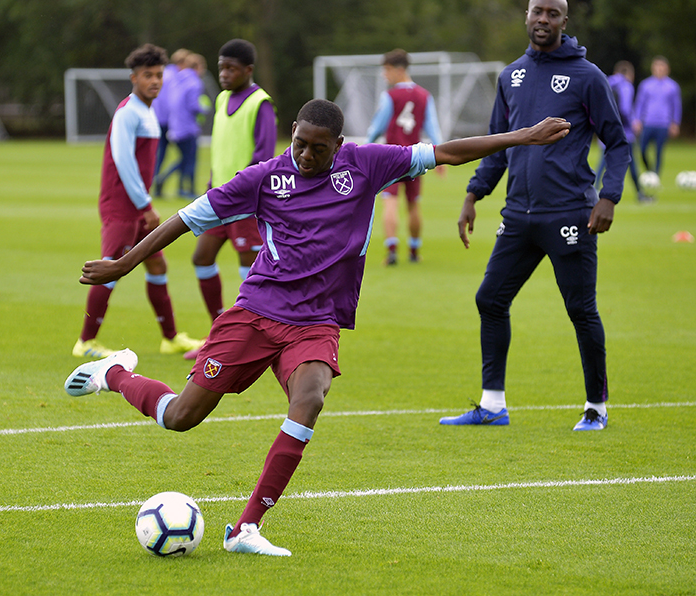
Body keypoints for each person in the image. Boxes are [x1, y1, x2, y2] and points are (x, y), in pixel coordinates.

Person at [64, 99, 569, 555]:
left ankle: (246, 529)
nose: (305, 156)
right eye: (299, 144)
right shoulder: (262, 178)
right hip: (257, 313)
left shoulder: (368, 165)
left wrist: (521, 136)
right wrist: (125, 263)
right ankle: (116, 375)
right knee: (180, 417)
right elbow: (188, 218)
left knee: (310, 397)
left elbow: (448, 152)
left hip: (317, 322)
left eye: (317, 149)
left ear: (339, 147)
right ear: (291, 135)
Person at [439, 0, 629, 431]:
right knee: (490, 299)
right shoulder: (511, 77)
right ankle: (492, 405)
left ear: (565, 22)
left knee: (581, 309)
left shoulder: (588, 77)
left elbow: (617, 143)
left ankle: (596, 408)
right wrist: (474, 193)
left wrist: (608, 196)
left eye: (554, 14)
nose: (544, 19)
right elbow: (496, 146)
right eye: (538, 11)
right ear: (527, 17)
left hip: (570, 214)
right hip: (518, 216)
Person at [71, 44, 204, 360]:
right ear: (134, 78)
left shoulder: (148, 112)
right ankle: (85, 342)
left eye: (159, 75)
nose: (155, 81)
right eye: (148, 76)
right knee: (110, 267)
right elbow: (123, 161)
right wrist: (145, 205)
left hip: (137, 205)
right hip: (122, 206)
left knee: (157, 264)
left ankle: (170, 338)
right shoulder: (128, 112)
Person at [188, 39, 277, 344]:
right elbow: (221, 147)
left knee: (250, 271)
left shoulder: (260, 103)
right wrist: (212, 181)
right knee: (201, 258)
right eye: (221, 68)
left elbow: (263, 156)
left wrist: (241, 188)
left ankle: (255, 335)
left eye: (232, 69)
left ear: (248, 70)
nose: (224, 74)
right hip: (219, 200)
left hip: (246, 203)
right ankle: (218, 332)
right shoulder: (221, 99)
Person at [365, 48, 444, 265]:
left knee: (389, 202)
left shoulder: (389, 96)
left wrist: (364, 148)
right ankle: (414, 251)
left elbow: (377, 128)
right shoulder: (424, 96)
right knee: (413, 204)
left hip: (390, 158)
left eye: (387, 70)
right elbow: (432, 128)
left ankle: (391, 250)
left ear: (399, 70)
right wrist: (440, 155)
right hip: (415, 157)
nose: (384, 75)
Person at [595, 61, 651, 203]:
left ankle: (594, 190)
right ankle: (640, 194)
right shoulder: (626, 85)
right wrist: (632, 123)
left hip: (605, 129)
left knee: (603, 161)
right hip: (623, 131)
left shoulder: (606, 82)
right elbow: (625, 109)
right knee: (631, 162)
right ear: (629, 74)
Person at [159, 52, 210, 198]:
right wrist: (204, 108)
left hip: (175, 127)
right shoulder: (194, 82)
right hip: (188, 128)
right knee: (190, 160)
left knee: (184, 159)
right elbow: (194, 105)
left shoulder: (178, 80)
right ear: (197, 67)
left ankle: (176, 185)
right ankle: (187, 189)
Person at [633, 56, 682, 178]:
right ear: (652, 68)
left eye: (662, 67)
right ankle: (649, 170)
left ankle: (656, 176)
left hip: (663, 124)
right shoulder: (645, 85)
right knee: (642, 149)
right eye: (657, 67)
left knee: (659, 151)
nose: (659, 69)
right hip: (648, 122)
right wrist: (636, 120)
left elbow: (676, 106)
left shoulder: (672, 86)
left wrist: (675, 123)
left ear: (667, 69)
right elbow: (639, 103)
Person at [152, 48, 191, 192]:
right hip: (169, 121)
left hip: (158, 119)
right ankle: (170, 182)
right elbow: (171, 101)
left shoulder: (165, 73)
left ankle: (156, 184)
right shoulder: (175, 78)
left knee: (160, 154)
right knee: (186, 155)